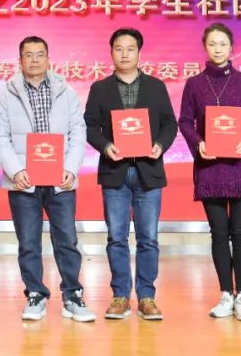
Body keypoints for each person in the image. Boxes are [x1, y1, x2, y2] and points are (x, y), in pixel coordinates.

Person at [0, 36, 94, 322]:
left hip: (61, 180)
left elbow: (78, 132)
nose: (35, 60)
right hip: (23, 181)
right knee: (28, 242)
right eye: (29, 55)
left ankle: (72, 295)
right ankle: (35, 294)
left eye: (40, 54)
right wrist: (16, 171)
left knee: (67, 240)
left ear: (48, 58)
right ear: (20, 60)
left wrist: (70, 168)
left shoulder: (66, 91)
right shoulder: (6, 94)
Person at [83, 27, 178, 321]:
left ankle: (147, 297)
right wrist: (105, 145)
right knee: (116, 237)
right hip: (115, 172)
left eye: (130, 49)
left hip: (148, 171)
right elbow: (89, 126)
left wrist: (160, 145)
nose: (124, 54)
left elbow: (170, 123)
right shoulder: (100, 88)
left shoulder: (156, 87)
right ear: (111, 52)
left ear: (139, 52)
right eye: (119, 49)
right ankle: (120, 296)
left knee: (148, 238)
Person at [178, 23, 241, 321]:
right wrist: (198, 143)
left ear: (231, 47)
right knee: (218, 233)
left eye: (223, 44)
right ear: (205, 47)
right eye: (212, 43)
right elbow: (185, 121)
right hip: (210, 166)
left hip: (240, 166)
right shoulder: (194, 83)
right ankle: (226, 294)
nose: (217, 49)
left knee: (240, 232)